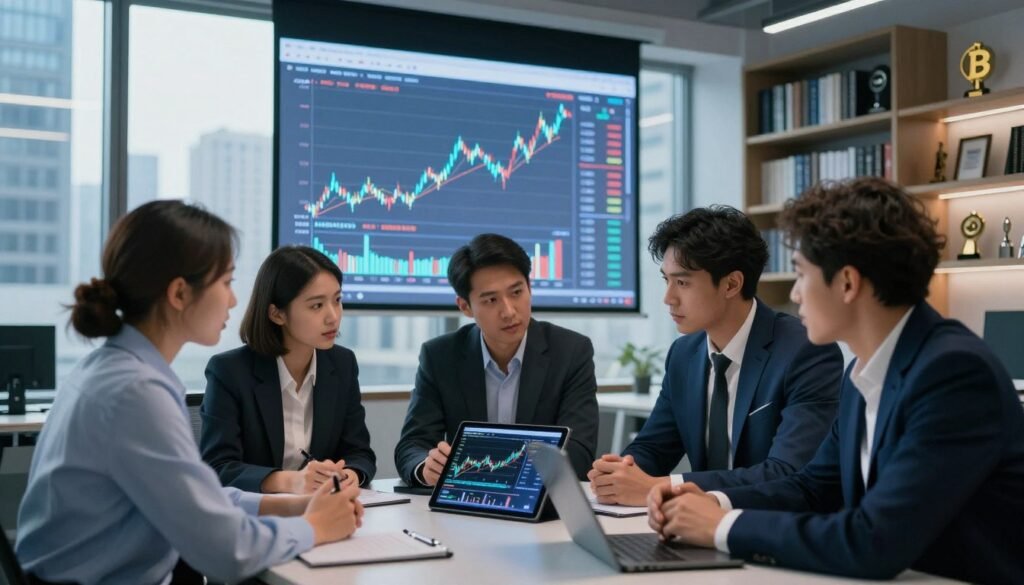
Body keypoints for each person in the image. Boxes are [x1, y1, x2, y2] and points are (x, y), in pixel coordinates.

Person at [648, 178, 1024, 583]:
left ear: (847, 282)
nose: (794, 294)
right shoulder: (865, 369)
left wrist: (720, 527)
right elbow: (813, 487)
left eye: (801, 274)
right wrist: (709, 501)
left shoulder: (952, 373)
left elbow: (874, 541)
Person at [16, 201, 363, 585]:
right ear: (180, 294)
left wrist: (296, 506)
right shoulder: (135, 393)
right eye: (227, 282)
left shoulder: (117, 370)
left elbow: (199, 498)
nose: (233, 300)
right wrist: (314, 526)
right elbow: (227, 551)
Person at [588, 206, 843, 506]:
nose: (668, 298)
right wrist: (618, 472)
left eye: (682, 283)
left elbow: (788, 472)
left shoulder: (806, 351)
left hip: (772, 529)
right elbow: (654, 448)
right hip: (697, 529)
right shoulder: (684, 354)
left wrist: (664, 486)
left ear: (732, 284)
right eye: (666, 280)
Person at [394, 233, 598, 485]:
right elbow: (412, 446)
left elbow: (579, 452)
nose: (509, 311)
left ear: (529, 288)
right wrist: (427, 467)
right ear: (465, 307)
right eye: (491, 300)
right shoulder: (440, 356)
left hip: (540, 505)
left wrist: (496, 469)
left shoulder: (570, 351)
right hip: (468, 505)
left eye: (516, 292)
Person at [201, 245, 375, 495]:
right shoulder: (230, 371)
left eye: (337, 300)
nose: (333, 317)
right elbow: (217, 468)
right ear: (277, 314)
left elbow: (359, 453)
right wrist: (291, 481)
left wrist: (348, 475)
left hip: (324, 508)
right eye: (316, 306)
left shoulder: (342, 364)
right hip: (257, 516)